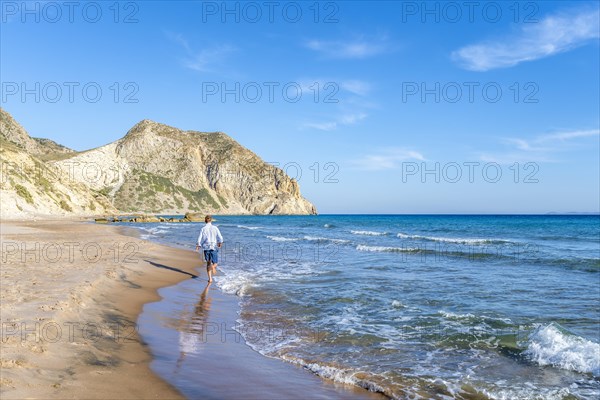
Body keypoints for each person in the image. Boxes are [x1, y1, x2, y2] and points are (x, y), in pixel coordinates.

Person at [195, 215, 223, 282]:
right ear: (211, 220)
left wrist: (198, 245)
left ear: (205, 220)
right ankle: (213, 267)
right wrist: (220, 242)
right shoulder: (215, 228)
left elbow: (199, 238)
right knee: (215, 262)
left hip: (206, 247)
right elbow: (220, 237)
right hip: (213, 246)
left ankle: (210, 279)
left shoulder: (203, 229)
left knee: (208, 263)